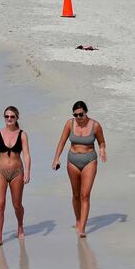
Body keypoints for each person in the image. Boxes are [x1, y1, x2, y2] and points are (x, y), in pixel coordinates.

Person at [51, 101, 107, 237]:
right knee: (76, 195)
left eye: (81, 114)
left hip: (89, 160)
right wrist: (56, 158)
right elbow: (62, 142)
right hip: (73, 161)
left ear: (86, 112)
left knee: (85, 195)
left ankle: (82, 228)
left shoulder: (95, 125)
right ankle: (77, 220)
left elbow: (101, 141)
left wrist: (102, 150)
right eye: (75, 115)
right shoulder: (70, 124)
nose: (78, 117)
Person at [0, 106, 31, 248]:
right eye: (7, 116)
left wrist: (28, 172)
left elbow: (27, 155)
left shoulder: (22, 134)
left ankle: (20, 225)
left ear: (17, 117)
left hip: (17, 173)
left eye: (12, 116)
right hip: (1, 172)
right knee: (0, 204)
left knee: (17, 204)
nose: (9, 119)